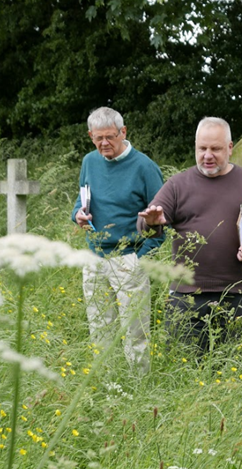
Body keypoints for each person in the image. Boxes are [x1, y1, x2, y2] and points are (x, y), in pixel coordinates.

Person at [137, 117, 242, 351]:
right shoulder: (177, 184)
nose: (208, 155)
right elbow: (145, 225)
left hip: (236, 294)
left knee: (232, 368)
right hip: (186, 297)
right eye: (202, 148)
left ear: (230, 148)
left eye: (215, 148)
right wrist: (151, 223)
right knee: (185, 371)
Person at [72, 106, 164, 375]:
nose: (104, 143)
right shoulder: (90, 161)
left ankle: (138, 388)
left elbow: (161, 222)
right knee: (100, 331)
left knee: (135, 333)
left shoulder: (145, 167)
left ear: (123, 132)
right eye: (97, 138)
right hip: (95, 256)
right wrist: (77, 213)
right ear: (90, 136)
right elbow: (82, 198)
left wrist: (140, 258)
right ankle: (108, 388)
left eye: (110, 137)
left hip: (129, 257)